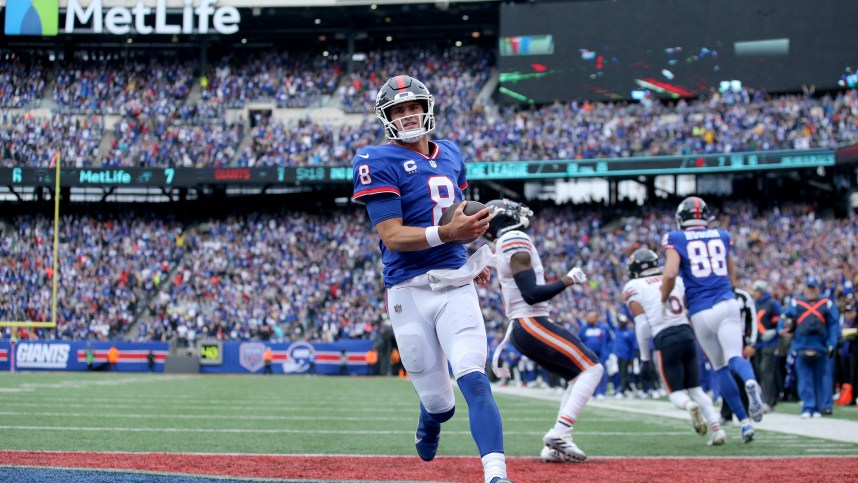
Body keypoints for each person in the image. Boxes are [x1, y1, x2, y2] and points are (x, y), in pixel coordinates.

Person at [352, 75, 511, 483]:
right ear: (386, 117)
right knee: (442, 404)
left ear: (427, 108)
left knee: (474, 377)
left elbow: (456, 212)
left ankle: (496, 474)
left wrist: (472, 249)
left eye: (411, 107)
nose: (407, 116)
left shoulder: (452, 153)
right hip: (408, 289)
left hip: (455, 283)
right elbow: (392, 236)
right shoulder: (376, 159)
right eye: (398, 110)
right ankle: (431, 417)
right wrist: (450, 235)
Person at [484, 199, 602, 463]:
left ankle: (557, 444)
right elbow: (531, 294)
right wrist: (568, 280)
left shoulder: (503, 242)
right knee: (593, 368)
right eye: (511, 210)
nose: (518, 212)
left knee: (577, 376)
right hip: (530, 321)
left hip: (524, 325)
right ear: (503, 219)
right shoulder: (515, 238)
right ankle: (561, 433)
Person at [661, 196, 764, 444]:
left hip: (700, 310)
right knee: (735, 356)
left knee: (720, 368)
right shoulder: (722, 235)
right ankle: (751, 382)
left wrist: (664, 299)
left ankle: (745, 423)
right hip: (726, 302)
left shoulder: (675, 238)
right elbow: (732, 273)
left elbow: (671, 273)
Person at [623, 248, 726, 446]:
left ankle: (690, 406)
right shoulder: (676, 280)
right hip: (686, 332)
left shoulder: (634, 285)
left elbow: (642, 324)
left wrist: (645, 358)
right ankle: (717, 429)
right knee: (696, 388)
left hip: (665, 336)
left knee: (676, 393)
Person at [780, 275, 840, 418]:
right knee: (805, 378)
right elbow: (784, 317)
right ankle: (808, 406)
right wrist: (781, 329)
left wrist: (832, 343)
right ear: (805, 288)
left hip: (820, 345)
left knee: (822, 378)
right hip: (802, 345)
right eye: (809, 287)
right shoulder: (797, 303)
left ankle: (821, 407)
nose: (811, 291)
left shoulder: (827, 303)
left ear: (818, 288)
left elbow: (834, 324)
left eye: (814, 288)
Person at [751, 280, 782, 412]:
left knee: (766, 371)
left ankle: (768, 401)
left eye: (756, 291)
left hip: (770, 342)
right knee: (759, 371)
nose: (754, 293)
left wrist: (776, 330)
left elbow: (782, 318)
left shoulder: (772, 304)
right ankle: (762, 399)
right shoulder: (754, 304)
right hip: (757, 343)